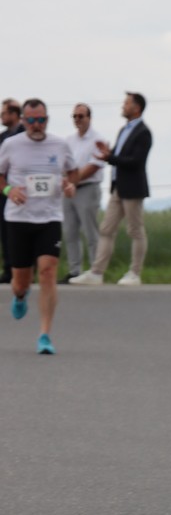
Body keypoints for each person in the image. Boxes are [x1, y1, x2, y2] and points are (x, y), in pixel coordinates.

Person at [0, 98, 78, 354]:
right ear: (23, 120)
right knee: (21, 282)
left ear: (47, 120)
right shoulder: (11, 144)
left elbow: (73, 171)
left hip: (49, 218)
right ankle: (20, 296)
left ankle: (45, 335)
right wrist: (9, 190)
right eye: (31, 120)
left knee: (47, 272)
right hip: (18, 219)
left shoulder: (60, 144)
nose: (36, 125)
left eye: (41, 120)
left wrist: (70, 185)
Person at [70, 92, 152, 287]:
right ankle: (96, 273)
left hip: (133, 188)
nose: (123, 106)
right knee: (106, 229)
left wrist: (109, 157)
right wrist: (107, 153)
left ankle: (135, 273)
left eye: (126, 103)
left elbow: (135, 161)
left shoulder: (143, 132)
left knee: (135, 230)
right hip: (118, 187)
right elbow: (117, 155)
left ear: (136, 108)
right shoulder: (124, 129)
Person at [61, 103, 105, 282]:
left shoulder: (98, 140)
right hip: (69, 191)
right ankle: (75, 271)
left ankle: (96, 271)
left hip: (87, 188)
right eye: (75, 116)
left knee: (90, 232)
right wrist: (66, 182)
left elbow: (93, 167)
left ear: (89, 118)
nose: (77, 119)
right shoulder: (68, 141)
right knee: (70, 232)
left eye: (81, 116)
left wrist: (72, 180)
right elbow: (63, 164)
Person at [0, 99, 25, 283]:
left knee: (23, 230)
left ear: (14, 114)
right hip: (5, 190)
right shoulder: (2, 137)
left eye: (4, 113)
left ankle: (26, 270)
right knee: (5, 231)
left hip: (23, 189)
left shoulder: (25, 133)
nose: (1, 116)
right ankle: (8, 269)